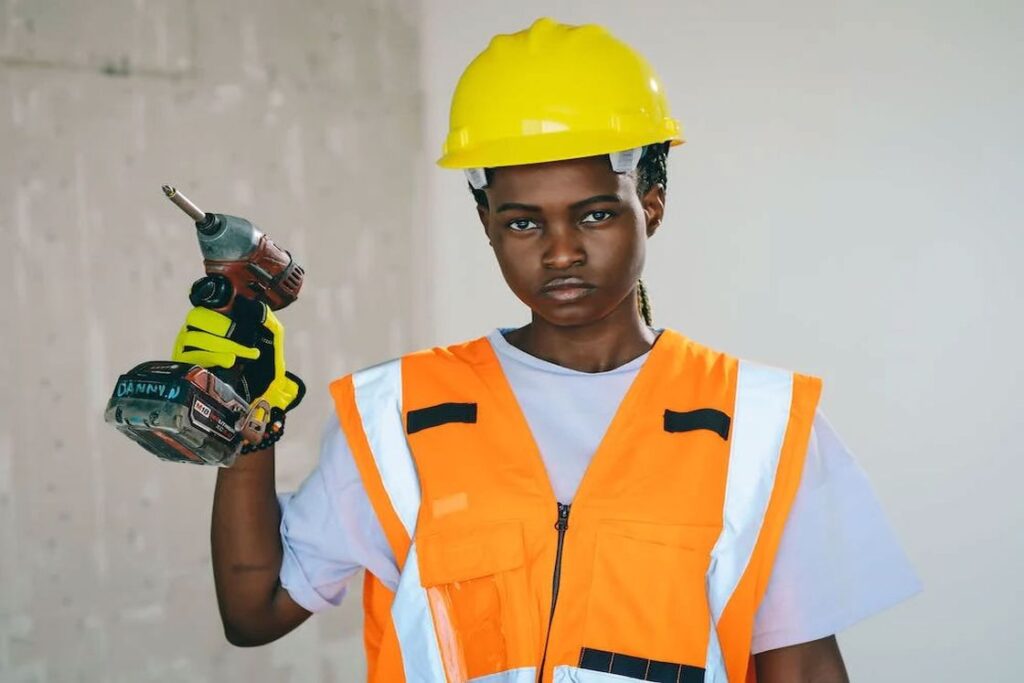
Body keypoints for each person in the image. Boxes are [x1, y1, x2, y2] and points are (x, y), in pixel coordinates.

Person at [173, 17, 921, 683]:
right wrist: (245, 419)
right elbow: (255, 609)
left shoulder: (761, 425)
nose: (561, 251)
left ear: (650, 203)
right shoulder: (399, 413)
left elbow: (804, 667)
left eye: (594, 213)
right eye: (525, 222)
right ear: (487, 221)